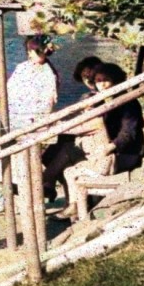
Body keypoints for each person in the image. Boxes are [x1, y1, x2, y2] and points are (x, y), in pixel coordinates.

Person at [62, 62, 144, 218]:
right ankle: (74, 204)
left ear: (116, 80)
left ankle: (78, 208)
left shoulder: (128, 102)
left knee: (71, 164)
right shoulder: (101, 102)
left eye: (106, 80)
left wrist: (109, 147)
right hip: (105, 152)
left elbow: (128, 134)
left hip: (126, 154)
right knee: (67, 160)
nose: (102, 84)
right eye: (99, 81)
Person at [0, 34, 59, 195]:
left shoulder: (49, 75)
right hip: (13, 115)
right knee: (1, 150)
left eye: (34, 51)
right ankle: (8, 188)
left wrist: (34, 121)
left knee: (23, 158)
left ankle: (25, 190)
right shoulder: (22, 67)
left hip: (32, 120)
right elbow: (7, 90)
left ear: (44, 52)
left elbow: (48, 103)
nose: (30, 54)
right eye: (28, 51)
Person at [41, 54, 103, 200]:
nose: (88, 80)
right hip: (87, 138)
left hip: (100, 143)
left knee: (65, 148)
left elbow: (93, 124)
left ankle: (46, 182)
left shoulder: (104, 96)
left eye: (91, 75)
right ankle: (51, 185)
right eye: (84, 77)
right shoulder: (88, 96)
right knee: (50, 154)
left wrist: (62, 125)